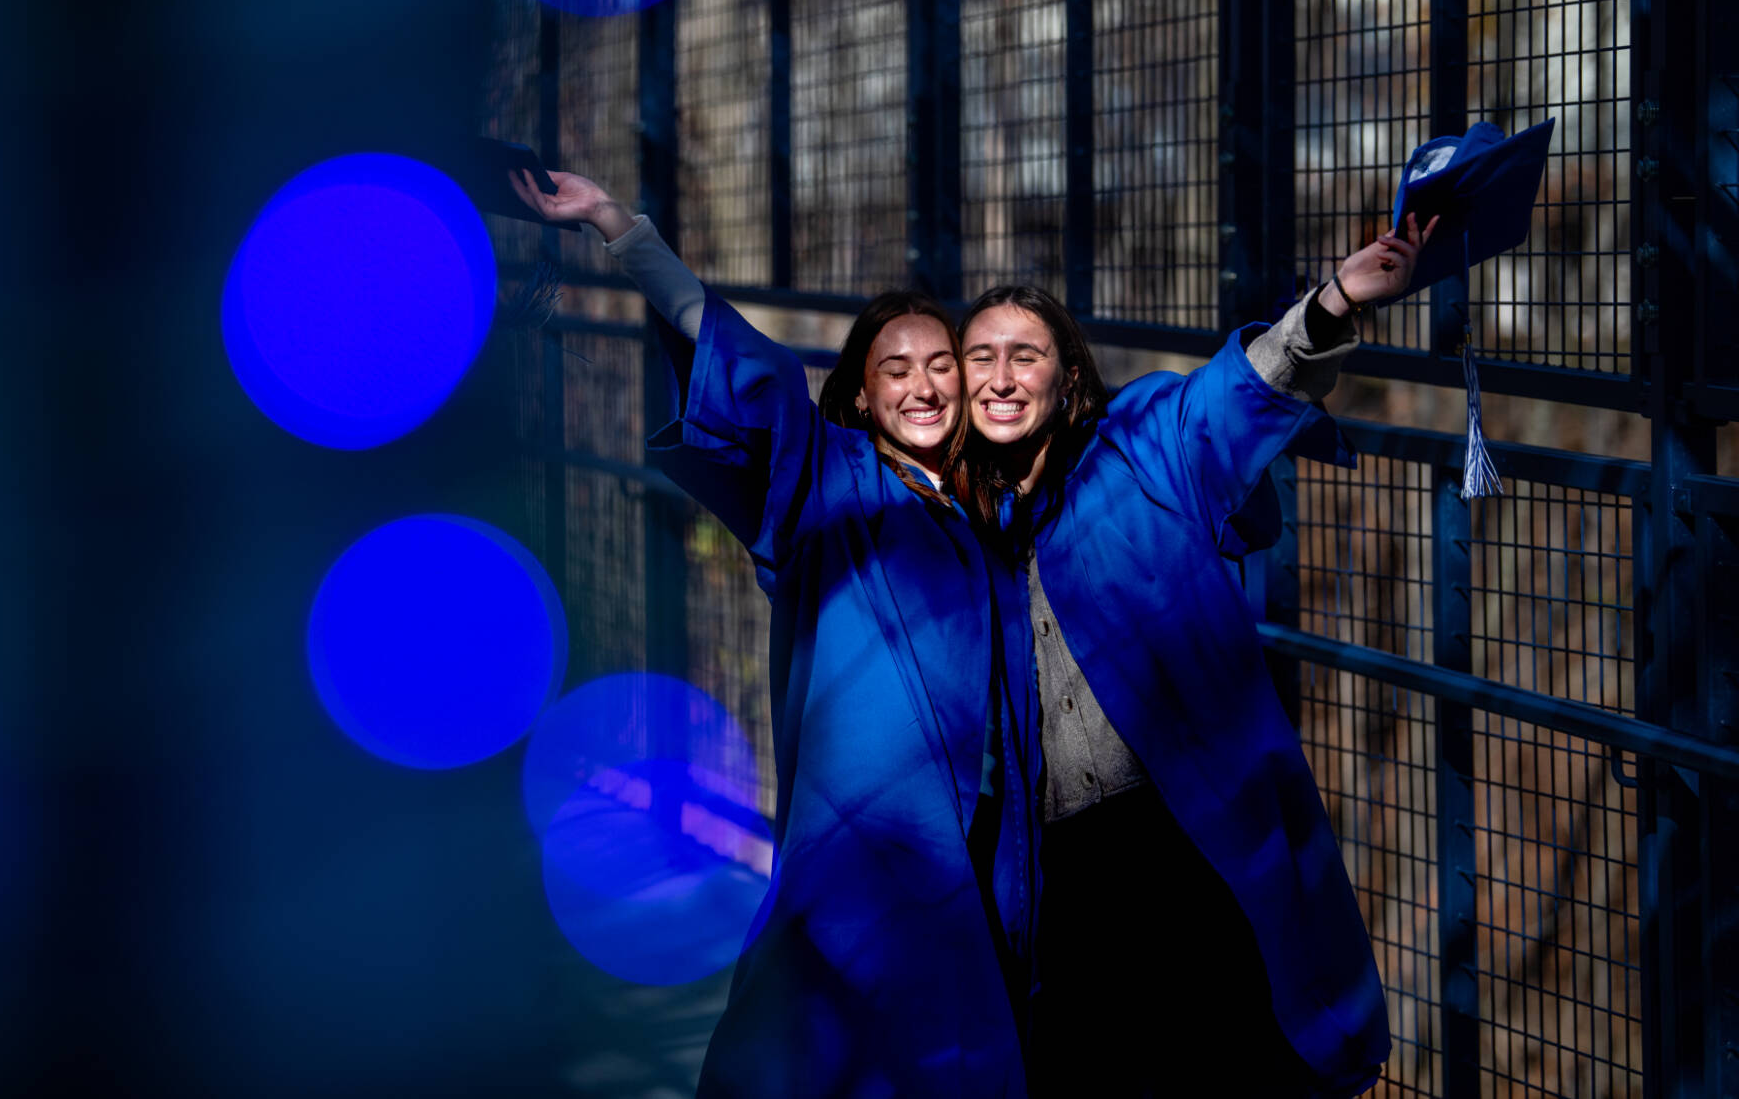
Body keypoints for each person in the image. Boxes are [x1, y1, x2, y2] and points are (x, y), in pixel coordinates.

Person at [508, 168, 1041, 1098]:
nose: (923, 389)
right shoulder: (830, 482)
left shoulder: (989, 508)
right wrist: (622, 232)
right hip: (862, 846)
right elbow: (750, 370)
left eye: (941, 366)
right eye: (896, 371)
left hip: (982, 843)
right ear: (863, 396)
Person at [953, 219, 1437, 1098]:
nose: (1000, 374)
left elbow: (1229, 400)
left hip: (1187, 842)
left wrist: (1329, 304)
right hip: (1061, 870)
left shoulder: (1143, 447)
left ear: (1067, 381)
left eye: (1025, 354)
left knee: (1231, 1055)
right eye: (980, 354)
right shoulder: (955, 523)